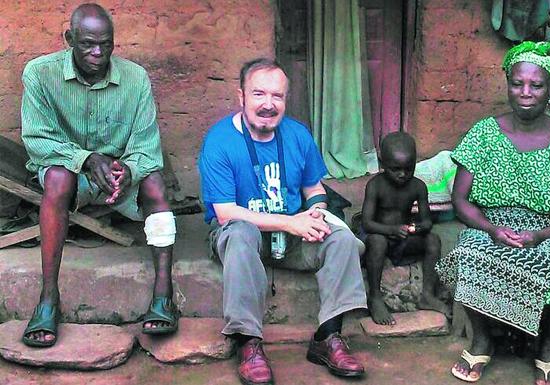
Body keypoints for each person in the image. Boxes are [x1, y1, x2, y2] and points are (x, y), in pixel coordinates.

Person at [435, 41, 550, 385]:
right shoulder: (483, 134)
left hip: (549, 229)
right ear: (508, 84)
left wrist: (541, 235)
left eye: (536, 85)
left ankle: (548, 347)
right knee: (468, 252)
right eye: (517, 83)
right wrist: (491, 229)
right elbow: (461, 199)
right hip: (492, 224)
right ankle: (482, 341)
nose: (526, 92)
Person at [198, 58, 367, 385]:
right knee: (238, 232)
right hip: (243, 238)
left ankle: (327, 337)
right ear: (241, 96)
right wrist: (290, 223)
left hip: (290, 238)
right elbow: (225, 213)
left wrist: (315, 212)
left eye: (277, 96)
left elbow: (314, 189)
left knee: (343, 239)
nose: (268, 104)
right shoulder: (219, 140)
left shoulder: (297, 135)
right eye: (259, 94)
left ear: (285, 100)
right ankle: (248, 343)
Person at [20, 3, 178, 347]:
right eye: (88, 44)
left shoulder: (135, 79)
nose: (97, 53)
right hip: (68, 176)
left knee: (153, 181)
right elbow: (37, 141)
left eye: (106, 44)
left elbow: (147, 147)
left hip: (119, 180)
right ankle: (48, 299)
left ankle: (163, 297)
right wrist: (87, 159)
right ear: (69, 39)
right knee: (59, 178)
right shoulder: (39, 74)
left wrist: (128, 169)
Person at [361, 132, 449, 325]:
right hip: (382, 236)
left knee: (433, 239)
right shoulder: (375, 185)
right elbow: (367, 223)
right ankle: (375, 297)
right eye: (396, 169)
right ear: (383, 164)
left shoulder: (418, 186)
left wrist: (416, 228)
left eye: (408, 169)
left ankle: (427, 294)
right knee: (377, 241)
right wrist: (391, 230)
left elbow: (427, 222)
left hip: (403, 238)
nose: (403, 174)